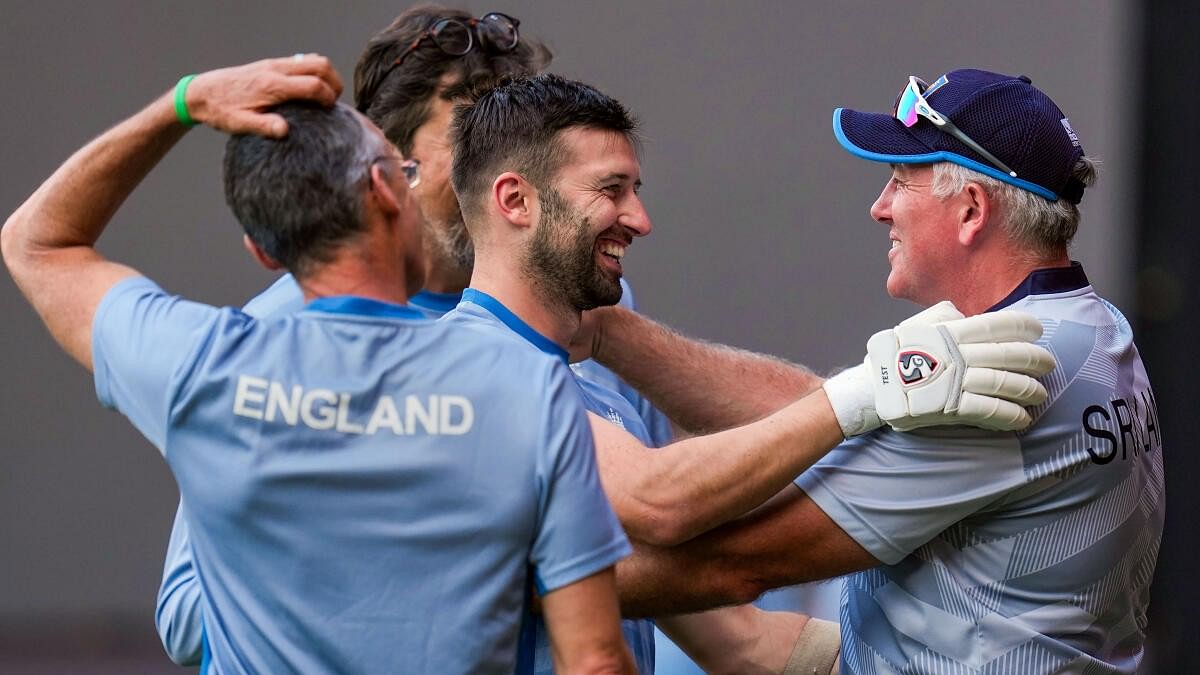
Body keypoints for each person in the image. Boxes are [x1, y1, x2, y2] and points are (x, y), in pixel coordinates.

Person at [1, 57, 636, 675]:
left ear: (260, 251)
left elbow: (36, 242)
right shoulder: (525, 382)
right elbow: (597, 661)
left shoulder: (201, 365)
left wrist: (184, 104)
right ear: (387, 190)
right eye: (403, 169)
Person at [445, 72, 1068, 674]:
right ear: (516, 201)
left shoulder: (602, 403)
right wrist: (866, 391)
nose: (640, 219)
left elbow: (743, 646)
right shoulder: (458, 367)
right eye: (611, 190)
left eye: (635, 190)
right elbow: (657, 499)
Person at [576, 69, 1164, 673]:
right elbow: (829, 412)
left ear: (970, 210)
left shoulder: (1009, 379)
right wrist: (606, 333)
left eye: (898, 181)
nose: (878, 208)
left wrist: (504, 563)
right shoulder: (1084, 325)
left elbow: (733, 562)